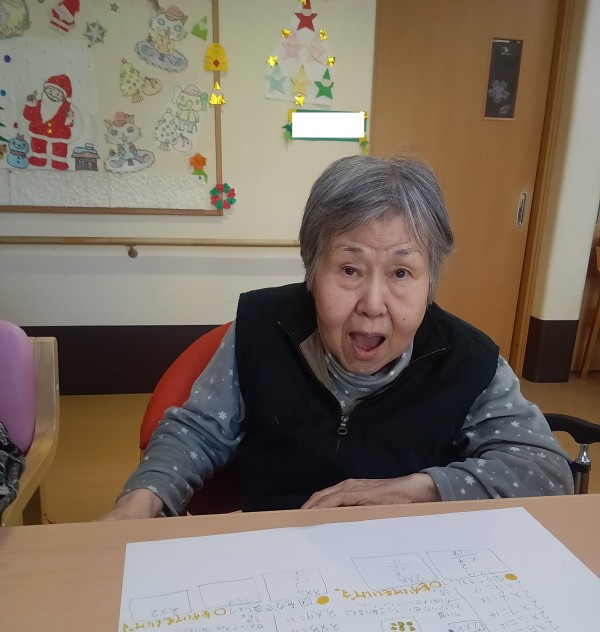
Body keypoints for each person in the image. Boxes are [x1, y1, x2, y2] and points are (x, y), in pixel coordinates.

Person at [102, 155, 573, 520]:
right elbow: (198, 432)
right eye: (349, 269)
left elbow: (547, 472)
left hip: (411, 567)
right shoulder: (263, 327)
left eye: (402, 272)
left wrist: (420, 489)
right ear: (312, 270)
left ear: (430, 281)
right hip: (274, 554)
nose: (373, 303)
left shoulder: (468, 360)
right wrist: (139, 501)